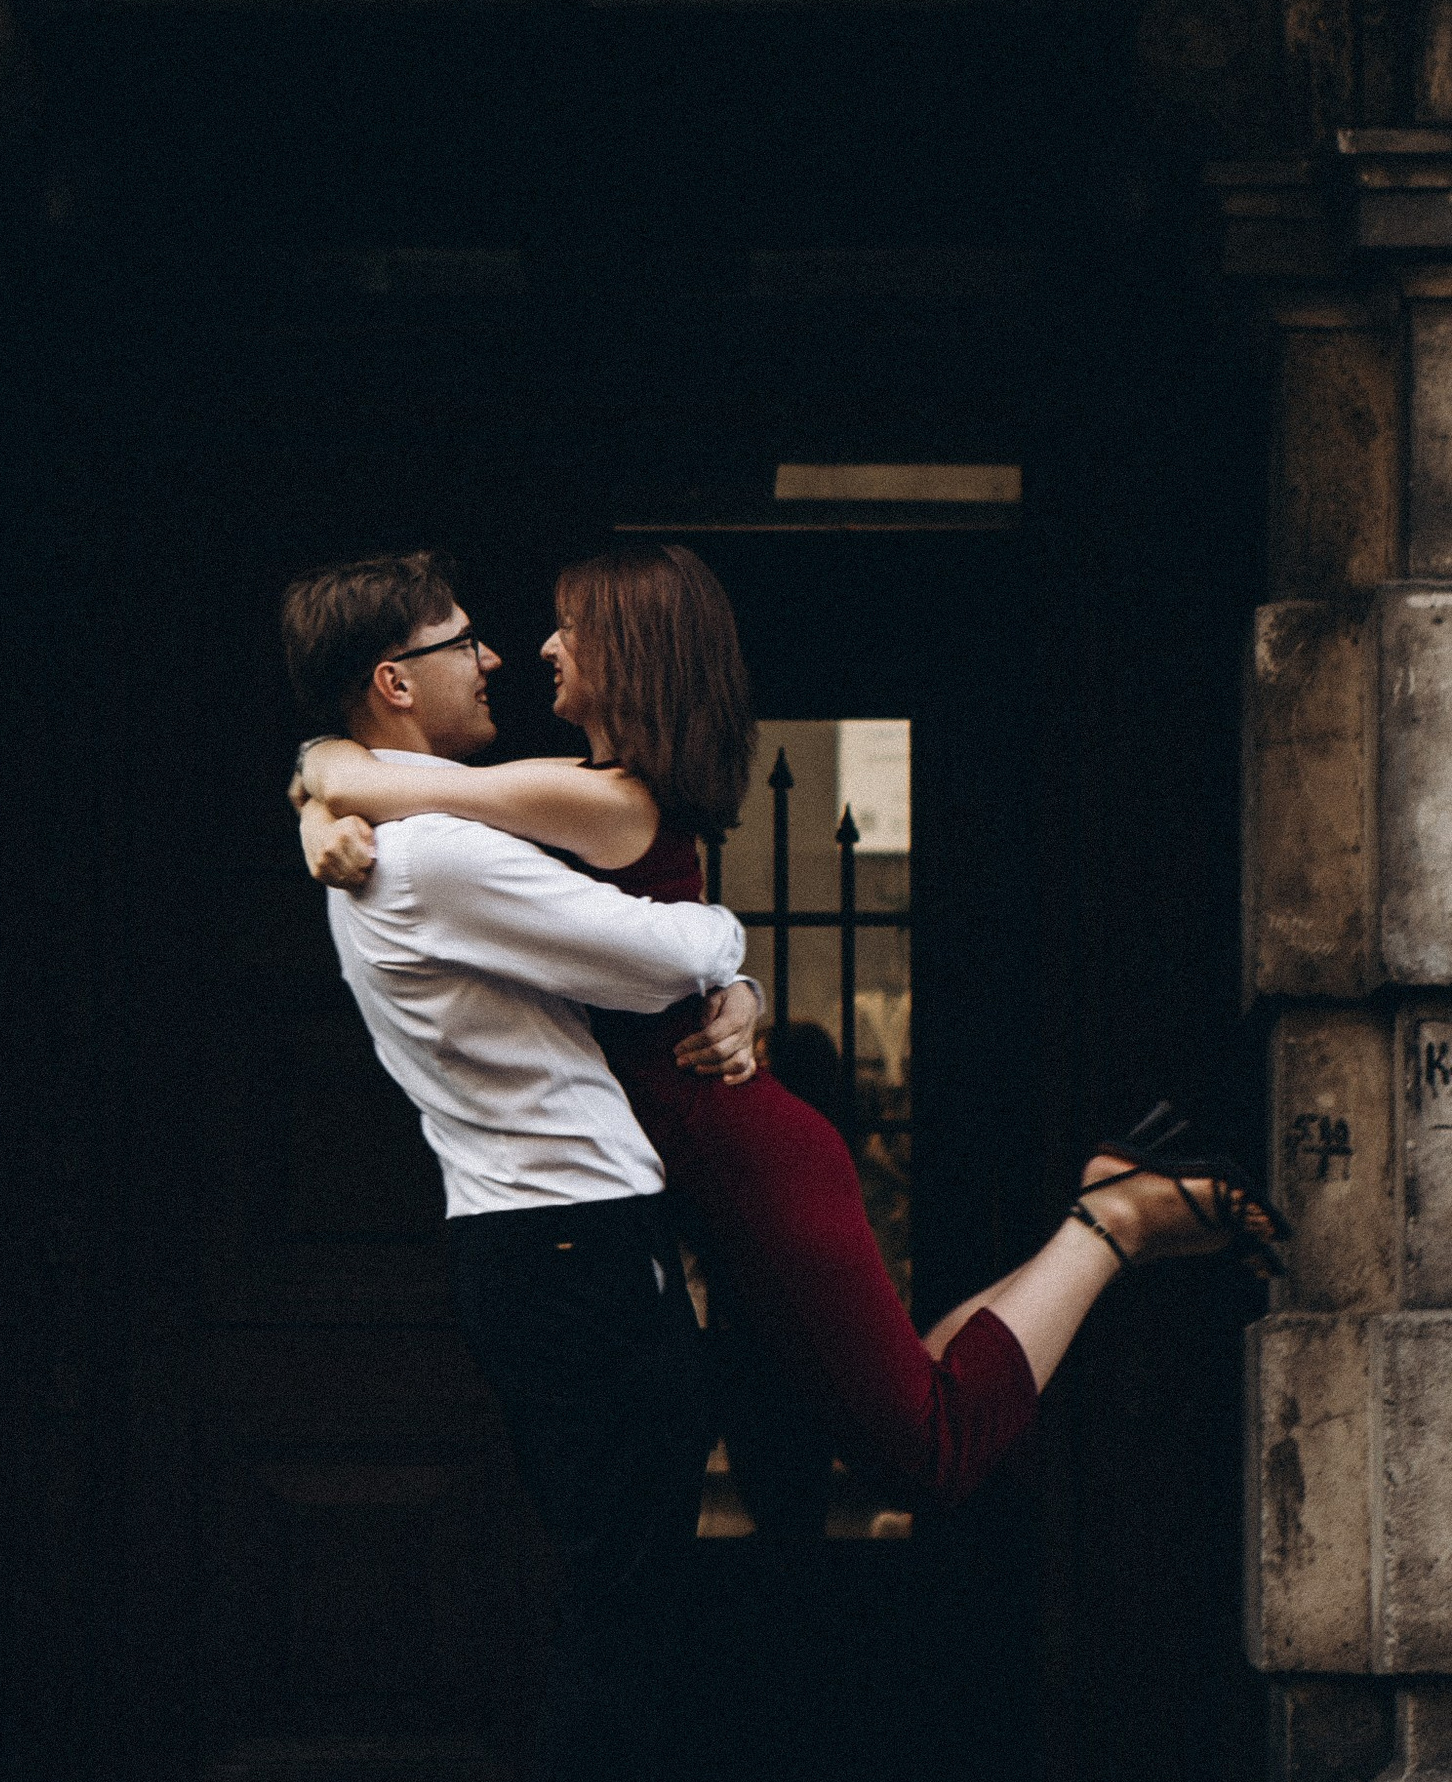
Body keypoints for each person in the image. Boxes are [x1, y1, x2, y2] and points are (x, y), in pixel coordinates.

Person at [294, 534, 1285, 1530]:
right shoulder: (577, 794)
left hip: (739, 1156)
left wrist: (322, 785)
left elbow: (413, 793)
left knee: (927, 1457)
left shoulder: (596, 796)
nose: (537, 647)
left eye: (572, 629)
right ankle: (1108, 1206)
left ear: (627, 654)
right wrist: (323, 792)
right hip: (717, 1146)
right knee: (905, 1398)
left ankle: (1109, 1221)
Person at [278, 546, 761, 1782]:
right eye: (463, 642)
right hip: (577, 1254)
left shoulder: (388, 834)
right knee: (622, 1621)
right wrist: (729, 959)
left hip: (541, 1252)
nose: (496, 660)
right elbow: (661, 954)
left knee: (616, 1613)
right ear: (392, 685)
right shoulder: (433, 856)